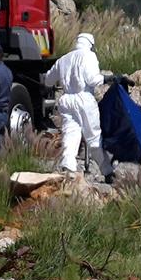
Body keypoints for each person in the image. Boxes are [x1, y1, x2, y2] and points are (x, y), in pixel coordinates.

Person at [44, 33, 114, 183]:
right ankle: (107, 172)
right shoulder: (88, 56)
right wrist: (109, 78)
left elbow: (48, 80)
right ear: (90, 44)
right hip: (84, 99)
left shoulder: (63, 59)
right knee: (93, 137)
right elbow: (93, 79)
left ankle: (68, 168)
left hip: (66, 100)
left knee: (71, 134)